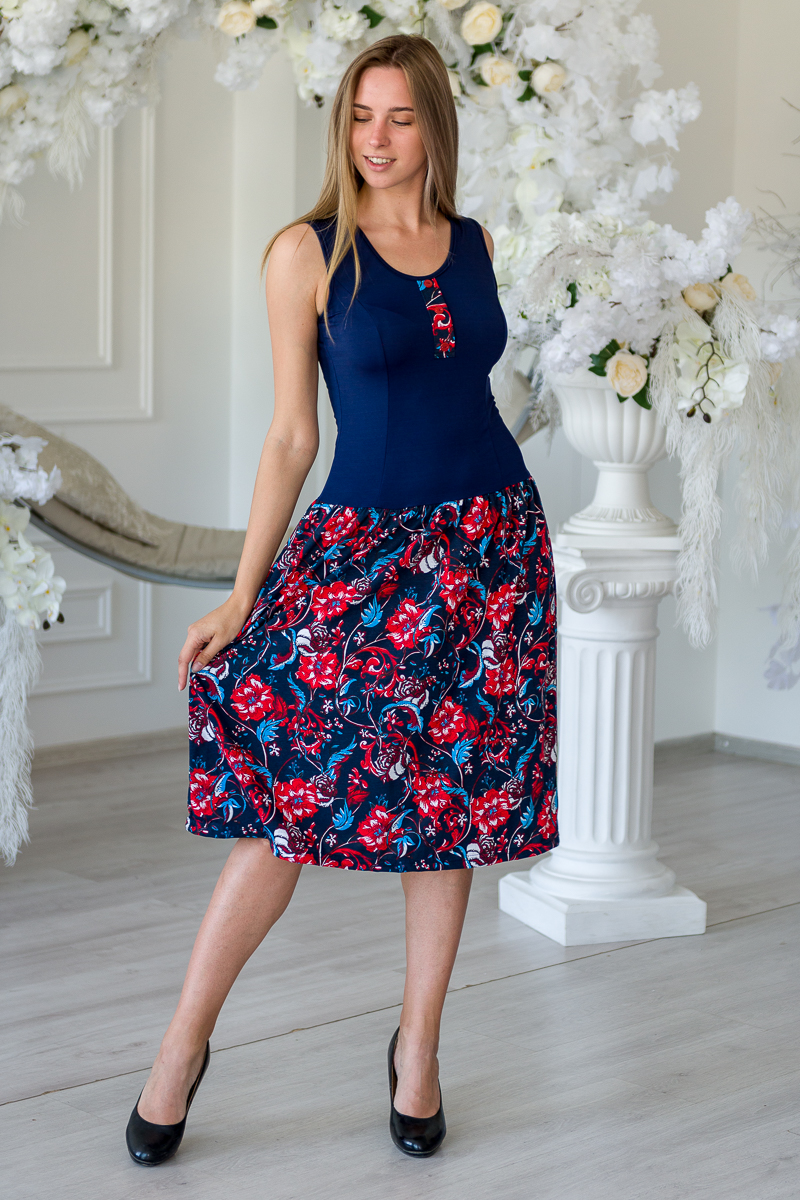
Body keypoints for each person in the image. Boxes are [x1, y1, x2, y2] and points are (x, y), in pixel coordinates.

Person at [125, 33, 558, 1167]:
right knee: (290, 806)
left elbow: (468, 387)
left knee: (450, 810)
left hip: (491, 550)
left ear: (434, 126)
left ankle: (418, 1052)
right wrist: (243, 595)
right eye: (361, 115)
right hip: (363, 558)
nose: (376, 137)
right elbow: (290, 435)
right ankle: (180, 1048)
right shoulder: (305, 252)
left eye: (400, 116)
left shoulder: (475, 243)